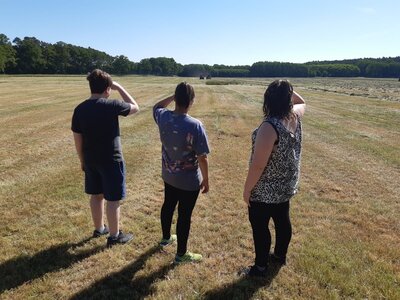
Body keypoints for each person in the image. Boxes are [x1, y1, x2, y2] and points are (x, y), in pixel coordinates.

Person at [243, 79, 306, 277]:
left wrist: (247, 190)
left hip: (265, 190)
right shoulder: (294, 116)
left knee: (260, 228)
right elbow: (302, 101)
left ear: (268, 100)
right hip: (286, 185)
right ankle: (279, 256)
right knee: (282, 220)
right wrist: (288, 90)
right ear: (287, 100)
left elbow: (258, 165)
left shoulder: (269, 127)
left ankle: (260, 267)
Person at [71, 69, 139, 248]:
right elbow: (135, 107)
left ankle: (100, 228)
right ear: (108, 89)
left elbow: (78, 138)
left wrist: (82, 160)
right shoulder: (112, 105)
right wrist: (120, 87)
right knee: (113, 199)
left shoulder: (80, 109)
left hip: (90, 159)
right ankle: (115, 236)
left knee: (96, 195)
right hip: (111, 160)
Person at [153, 82, 210, 264]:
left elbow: (157, 106)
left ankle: (166, 237)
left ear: (176, 99)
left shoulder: (163, 117)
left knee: (168, 205)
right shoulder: (195, 125)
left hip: (169, 175)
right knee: (184, 215)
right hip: (188, 181)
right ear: (192, 101)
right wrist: (206, 179)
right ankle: (181, 254)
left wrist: (173, 96)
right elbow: (202, 158)